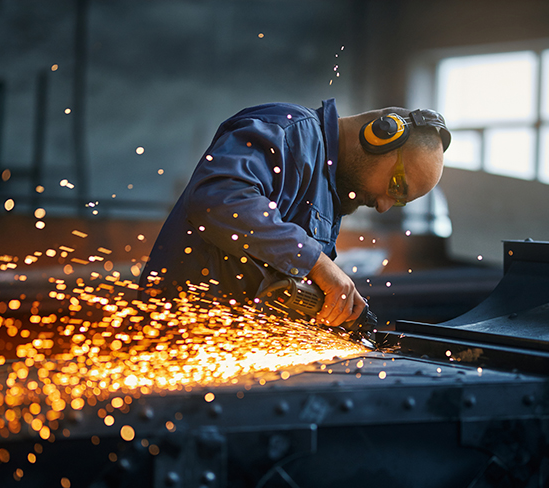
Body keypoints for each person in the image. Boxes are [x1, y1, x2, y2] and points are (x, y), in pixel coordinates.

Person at [141, 98, 450, 327]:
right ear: (381, 136)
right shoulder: (288, 131)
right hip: (176, 338)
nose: (384, 206)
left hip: (227, 353)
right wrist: (316, 262)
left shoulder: (329, 193)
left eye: (399, 203)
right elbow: (220, 199)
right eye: (397, 187)